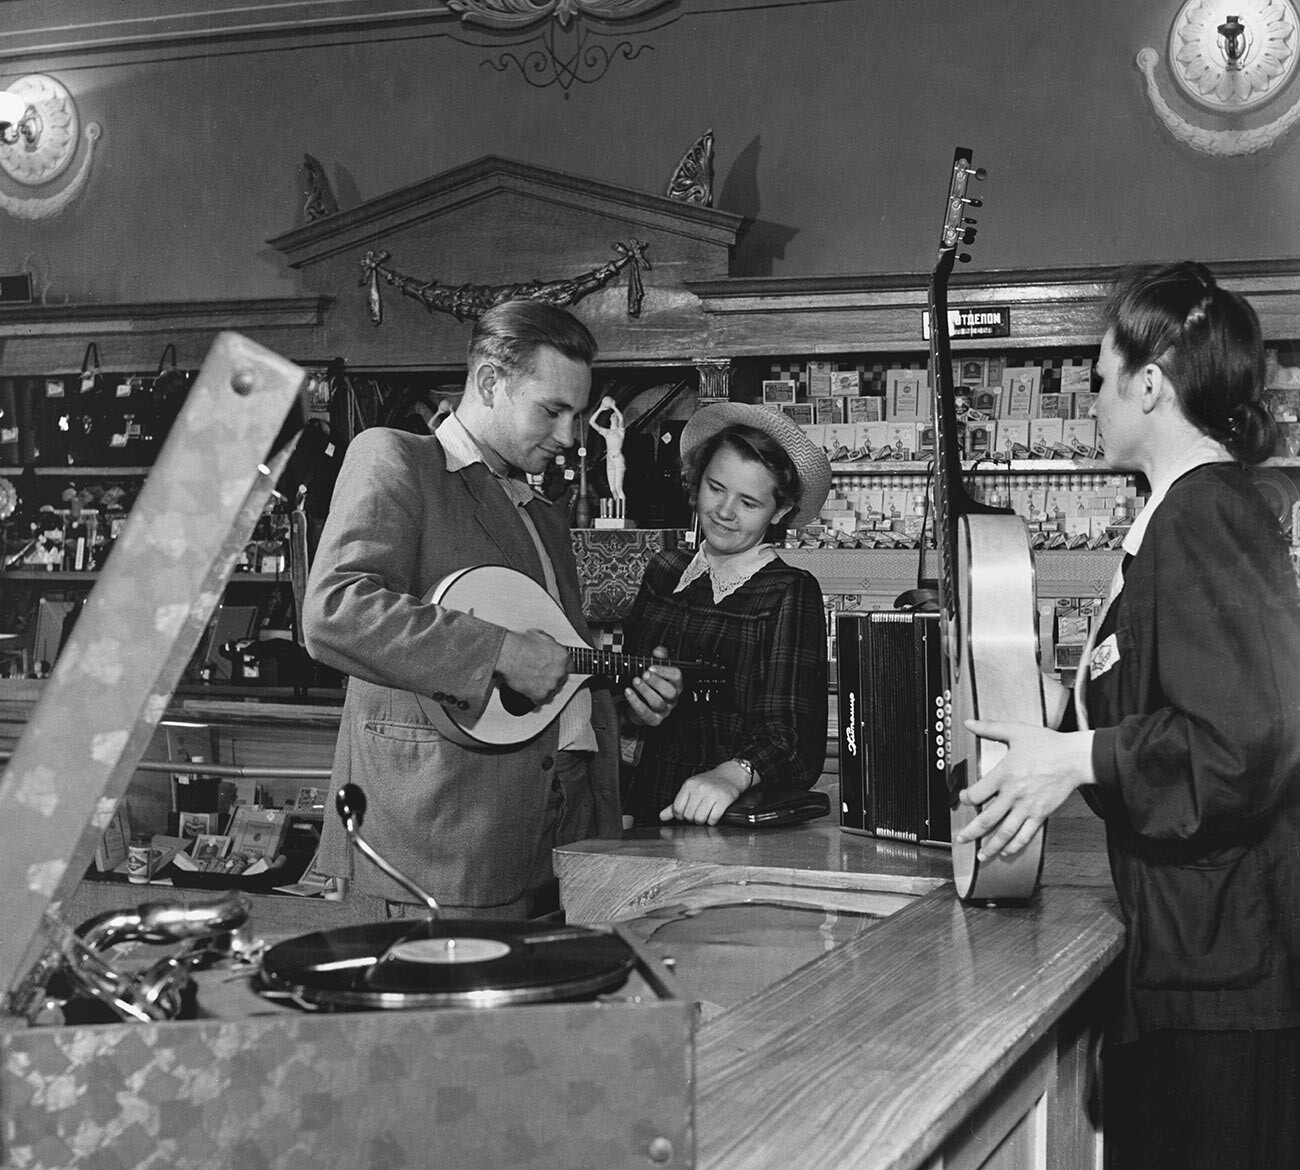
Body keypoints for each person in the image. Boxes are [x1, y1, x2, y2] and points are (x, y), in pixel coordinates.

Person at [952, 261, 1300, 1169]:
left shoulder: (1203, 516)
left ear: (1152, 384)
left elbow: (1241, 742)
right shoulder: (1183, 515)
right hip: (1196, 956)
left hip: (1225, 974)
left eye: (1101, 379)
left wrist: (1080, 759)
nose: (1091, 403)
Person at [302, 300, 681, 920]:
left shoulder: (545, 514)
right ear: (488, 382)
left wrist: (631, 700)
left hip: (564, 829)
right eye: (552, 410)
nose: (568, 436)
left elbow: (554, 666)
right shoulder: (395, 458)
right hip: (450, 835)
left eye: (578, 415)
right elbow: (335, 610)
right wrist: (499, 650)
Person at [620, 402, 832, 826]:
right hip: (644, 812)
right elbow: (626, 688)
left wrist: (732, 775)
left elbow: (792, 739)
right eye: (716, 488)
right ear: (697, 480)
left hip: (731, 824)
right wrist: (632, 712)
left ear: (781, 510)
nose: (724, 511)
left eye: (749, 502)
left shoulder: (788, 590)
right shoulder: (664, 571)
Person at [588, 394, 627, 506]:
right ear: (610, 419)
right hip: (609, 460)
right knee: (612, 489)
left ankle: (622, 513)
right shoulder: (607, 432)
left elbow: (622, 418)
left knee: (619, 487)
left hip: (618, 459)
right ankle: (616, 511)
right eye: (612, 416)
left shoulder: (620, 432)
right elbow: (591, 422)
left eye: (615, 416)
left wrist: (614, 407)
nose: (614, 417)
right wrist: (601, 409)